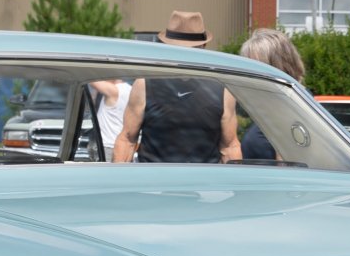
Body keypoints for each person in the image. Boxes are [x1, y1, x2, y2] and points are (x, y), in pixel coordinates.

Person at [114, 11, 240, 163]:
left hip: (203, 185)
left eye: (191, 49)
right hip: (155, 184)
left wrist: (238, 186)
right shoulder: (145, 84)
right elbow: (127, 140)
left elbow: (230, 146)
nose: (186, 54)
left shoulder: (222, 89)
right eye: (180, 49)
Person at [238, 27, 305, 161]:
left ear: (277, 67)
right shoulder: (272, 107)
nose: (247, 74)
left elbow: (289, 166)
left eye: (254, 68)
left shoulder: (290, 108)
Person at [88, 79, 131, 160]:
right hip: (117, 144)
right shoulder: (130, 89)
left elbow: (90, 79)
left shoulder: (114, 90)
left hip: (107, 146)